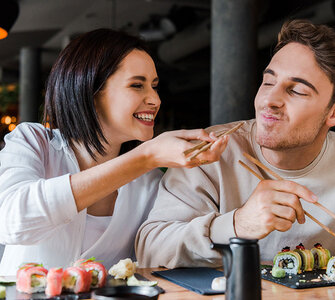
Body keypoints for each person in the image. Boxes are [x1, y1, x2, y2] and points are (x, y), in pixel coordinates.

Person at [136, 19, 335, 268]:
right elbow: (150, 248)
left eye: (296, 90)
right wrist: (238, 224)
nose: (268, 100)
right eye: (268, 81)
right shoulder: (209, 151)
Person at [0, 28, 229, 275]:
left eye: (154, 86)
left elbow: (166, 251)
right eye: (137, 85)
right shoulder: (35, 142)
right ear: (90, 91)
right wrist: (146, 156)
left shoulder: (150, 183)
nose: (155, 99)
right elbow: (13, 222)